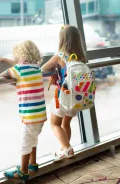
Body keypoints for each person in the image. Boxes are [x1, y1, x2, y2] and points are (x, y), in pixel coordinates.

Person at [0, 40, 47, 181]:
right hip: (40, 114)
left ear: (18, 56)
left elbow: (3, 75)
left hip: (30, 115)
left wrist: (13, 79)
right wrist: (18, 81)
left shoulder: (19, 69)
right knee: (33, 139)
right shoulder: (37, 68)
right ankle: (32, 164)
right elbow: (26, 80)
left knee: (26, 143)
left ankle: (23, 171)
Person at [41, 25, 87, 162]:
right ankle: (63, 149)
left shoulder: (60, 56)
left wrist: (55, 70)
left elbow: (42, 69)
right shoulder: (81, 57)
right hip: (77, 98)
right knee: (65, 124)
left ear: (62, 39)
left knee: (54, 124)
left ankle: (67, 148)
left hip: (64, 97)